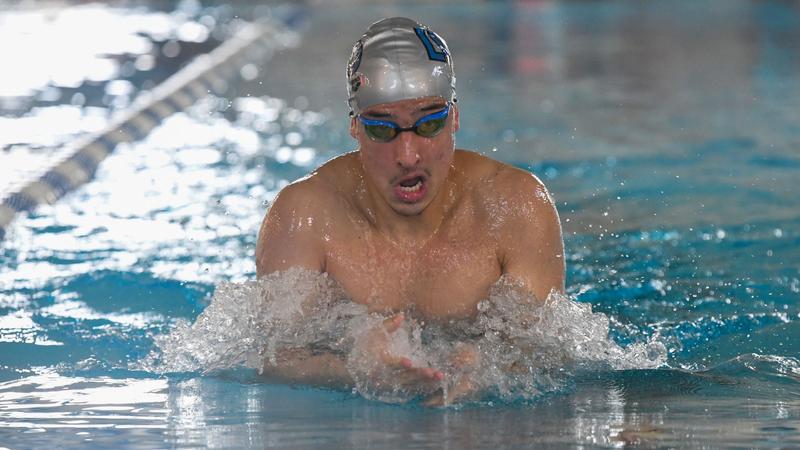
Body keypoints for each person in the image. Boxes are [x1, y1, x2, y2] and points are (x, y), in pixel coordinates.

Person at [255, 17, 565, 405]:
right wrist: (355, 367)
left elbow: (548, 352)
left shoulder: (516, 207)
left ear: (454, 117)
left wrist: (487, 369)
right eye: (382, 129)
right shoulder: (304, 217)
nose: (407, 156)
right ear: (355, 127)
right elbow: (272, 359)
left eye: (429, 124)